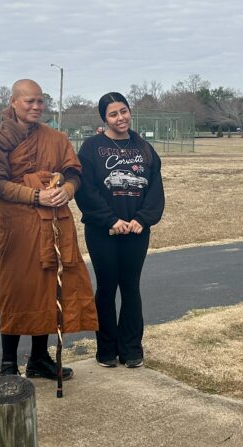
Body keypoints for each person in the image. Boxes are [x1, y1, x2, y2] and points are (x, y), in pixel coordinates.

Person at [0, 79, 98, 380]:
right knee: (16, 289)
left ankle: (39, 359)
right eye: (29, 101)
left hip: (53, 223)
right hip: (17, 226)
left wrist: (68, 189)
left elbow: (73, 171)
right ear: (13, 102)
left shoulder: (56, 138)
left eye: (40, 101)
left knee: (48, 286)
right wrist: (36, 195)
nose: (36, 107)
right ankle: (8, 363)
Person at [75, 93, 165, 368]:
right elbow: (86, 190)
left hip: (136, 231)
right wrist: (110, 220)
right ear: (104, 118)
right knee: (106, 287)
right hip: (104, 231)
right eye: (113, 114)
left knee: (130, 287)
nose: (120, 118)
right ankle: (106, 349)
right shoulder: (91, 148)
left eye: (123, 111)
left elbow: (155, 190)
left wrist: (142, 219)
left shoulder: (145, 148)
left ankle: (131, 348)